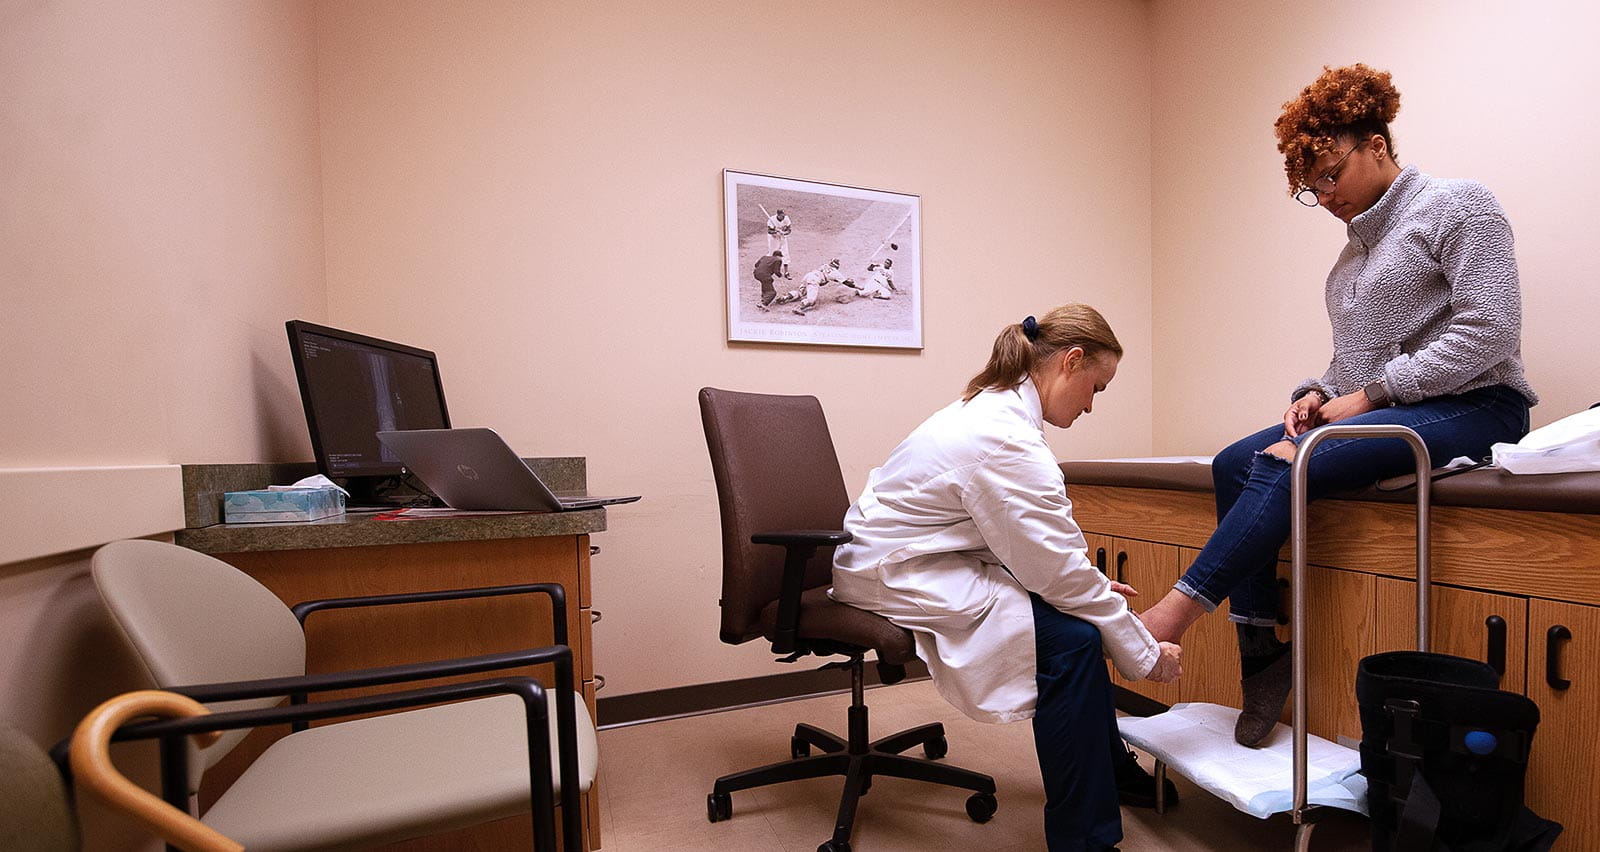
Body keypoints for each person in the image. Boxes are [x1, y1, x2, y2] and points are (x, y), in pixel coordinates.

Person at [1134, 64, 1537, 747]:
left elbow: (1489, 328)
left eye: (1329, 175)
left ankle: (1172, 615)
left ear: (1376, 145)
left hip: (1481, 403)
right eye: (1310, 188)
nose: (1323, 197)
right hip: (1399, 407)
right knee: (1234, 462)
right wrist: (1316, 396)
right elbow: (1353, 368)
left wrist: (1371, 395)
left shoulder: (1459, 205)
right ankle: (1261, 652)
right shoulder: (1350, 260)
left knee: (1291, 460)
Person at [831, 305, 1183, 851]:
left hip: (911, 556)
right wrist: (1145, 652)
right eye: (1097, 387)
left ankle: (1109, 771)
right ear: (1071, 361)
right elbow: (1057, 570)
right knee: (1072, 641)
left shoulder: (996, 412)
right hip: (893, 570)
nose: (1092, 404)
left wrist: (1087, 591)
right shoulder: (1004, 438)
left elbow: (1036, 551)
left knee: (1075, 620)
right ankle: (1084, 839)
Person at [775, 258, 848, 315]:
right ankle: (798, 308)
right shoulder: (835, 272)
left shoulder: (825, 265)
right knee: (812, 301)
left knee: (800, 293)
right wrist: (852, 285)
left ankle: (785, 297)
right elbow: (845, 282)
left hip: (808, 276)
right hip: (814, 280)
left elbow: (828, 276)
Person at [766, 208, 792, 277]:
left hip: (782, 238)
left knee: (785, 254)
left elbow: (789, 230)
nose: (783, 217)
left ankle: (786, 273)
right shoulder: (772, 219)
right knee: (772, 253)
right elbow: (769, 231)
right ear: (778, 215)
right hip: (773, 239)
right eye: (782, 216)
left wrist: (784, 233)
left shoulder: (786, 218)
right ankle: (768, 270)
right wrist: (776, 231)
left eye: (784, 215)